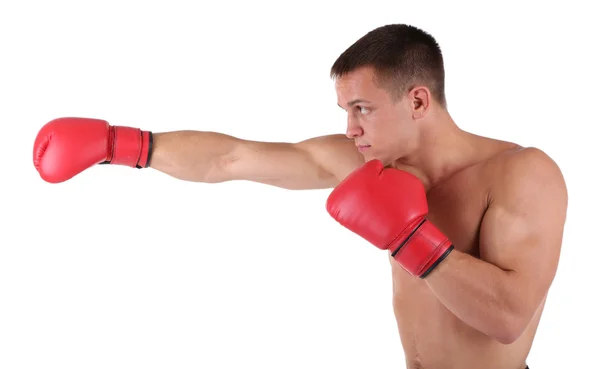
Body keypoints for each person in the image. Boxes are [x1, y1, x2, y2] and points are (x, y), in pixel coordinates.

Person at [32, 24, 567, 369]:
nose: (351, 128)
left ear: (419, 100)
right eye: (344, 111)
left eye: (362, 108)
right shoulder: (369, 164)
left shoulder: (521, 173)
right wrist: (121, 145)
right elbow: (233, 158)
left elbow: (507, 318)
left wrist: (408, 236)